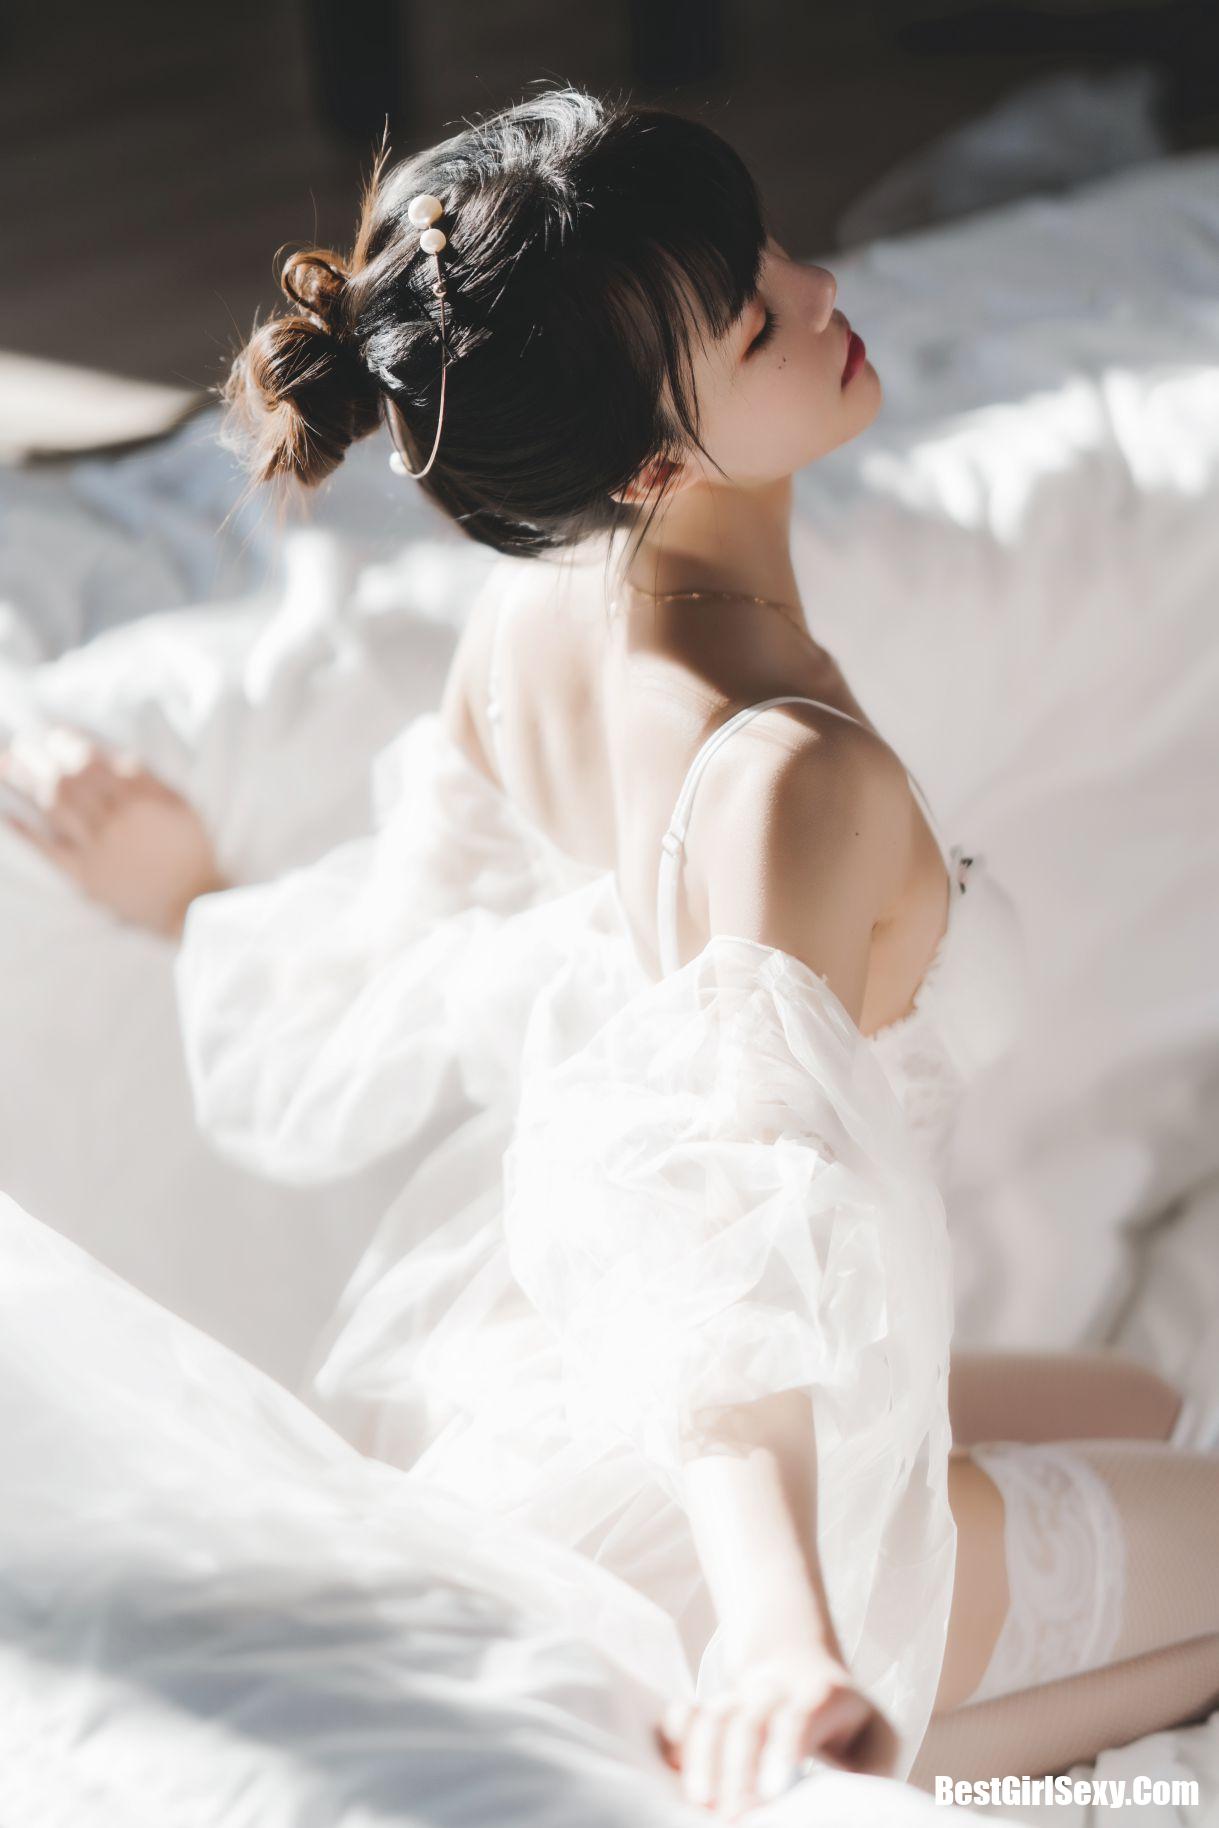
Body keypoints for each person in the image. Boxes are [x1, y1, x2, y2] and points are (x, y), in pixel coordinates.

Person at [5, 85, 1217, 1820]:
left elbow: (412, 944)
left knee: (1152, 1400)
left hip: (590, 1412)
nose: (823, 293)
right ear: (652, 465)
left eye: (772, 253)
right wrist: (786, 1632)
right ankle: (838, 1715)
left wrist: (192, 900)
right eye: (756, 321)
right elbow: (724, 1210)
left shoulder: (537, 626)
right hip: (753, 1494)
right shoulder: (793, 779)